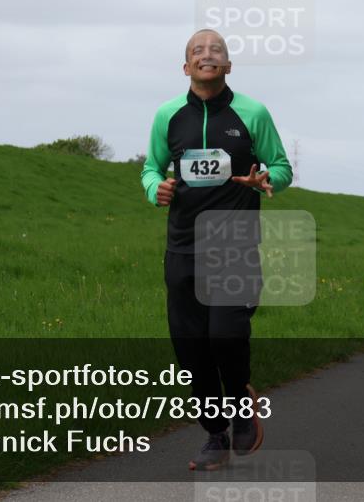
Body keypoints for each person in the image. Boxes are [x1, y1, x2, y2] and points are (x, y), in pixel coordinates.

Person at [140, 29, 292, 470]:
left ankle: (241, 402)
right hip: (183, 247)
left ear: (228, 65)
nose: (208, 54)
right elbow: (151, 167)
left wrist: (267, 179)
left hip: (235, 245)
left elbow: (280, 166)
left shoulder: (252, 112)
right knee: (191, 349)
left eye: (217, 50)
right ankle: (214, 435)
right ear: (186, 67)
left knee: (225, 334)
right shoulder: (167, 116)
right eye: (197, 51)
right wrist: (157, 189)